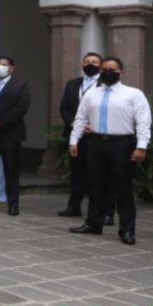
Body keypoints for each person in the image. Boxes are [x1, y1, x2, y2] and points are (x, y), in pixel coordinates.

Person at [68, 57, 151, 245]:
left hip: (121, 144)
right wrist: (74, 140)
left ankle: (127, 230)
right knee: (96, 186)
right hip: (96, 143)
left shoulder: (133, 94)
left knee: (123, 188)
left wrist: (141, 146)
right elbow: (80, 118)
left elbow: (143, 122)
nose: (108, 72)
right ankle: (93, 224)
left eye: (112, 69)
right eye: (104, 69)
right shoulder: (92, 94)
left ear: (121, 72)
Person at [58, 52, 113, 225]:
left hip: (98, 136)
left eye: (94, 62)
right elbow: (64, 108)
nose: (90, 64)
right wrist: (76, 124)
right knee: (77, 173)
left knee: (102, 175)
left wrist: (93, 125)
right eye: (87, 61)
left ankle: (107, 212)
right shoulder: (72, 84)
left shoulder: (106, 84)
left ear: (101, 65)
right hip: (77, 135)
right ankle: (74, 206)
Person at [0, 56, 30, 216]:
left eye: (4, 65)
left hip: (10, 133)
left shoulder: (20, 86)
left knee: (11, 169)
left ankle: (13, 204)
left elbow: (21, 108)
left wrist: (0, 124)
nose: (0, 67)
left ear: (12, 68)